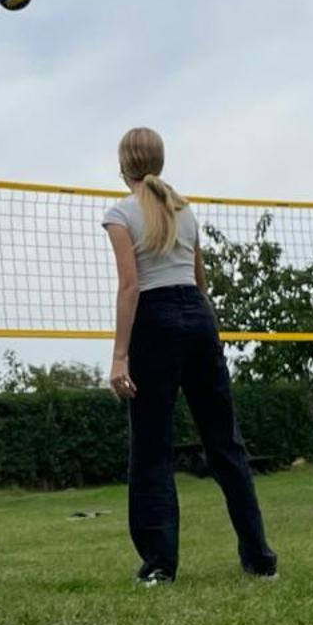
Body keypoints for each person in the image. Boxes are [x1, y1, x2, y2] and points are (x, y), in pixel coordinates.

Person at [104, 127, 278, 585]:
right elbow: (201, 284)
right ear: (159, 162)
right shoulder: (186, 213)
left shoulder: (120, 213)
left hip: (156, 320)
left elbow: (130, 286)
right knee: (226, 445)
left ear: (124, 165)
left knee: (151, 449)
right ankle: (260, 560)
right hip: (198, 319)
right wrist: (203, 333)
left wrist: (120, 357)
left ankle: (160, 565)